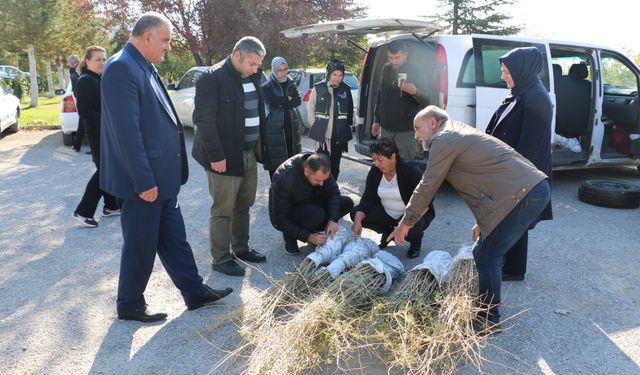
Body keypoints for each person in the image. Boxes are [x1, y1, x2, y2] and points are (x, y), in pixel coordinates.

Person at [100, 12, 232, 322]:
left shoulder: (143, 65)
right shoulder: (121, 68)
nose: (168, 47)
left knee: (174, 237)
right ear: (147, 37)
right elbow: (126, 133)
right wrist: (144, 181)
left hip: (163, 177)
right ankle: (129, 303)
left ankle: (194, 291)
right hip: (144, 180)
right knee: (140, 242)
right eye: (166, 40)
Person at [389, 106, 550, 330]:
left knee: (487, 253)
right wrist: (482, 222)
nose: (416, 135)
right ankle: (486, 310)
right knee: (484, 251)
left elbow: (428, 185)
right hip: (527, 191)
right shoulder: (456, 133)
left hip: (523, 194)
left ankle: (488, 318)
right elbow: (481, 181)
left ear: (433, 123)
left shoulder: (444, 139)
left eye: (417, 128)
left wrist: (405, 222)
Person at [192, 36, 269, 277]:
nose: (256, 69)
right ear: (237, 56)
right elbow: (203, 121)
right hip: (223, 157)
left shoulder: (252, 76)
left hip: (248, 154)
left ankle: (241, 249)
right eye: (252, 64)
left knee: (243, 205)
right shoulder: (211, 79)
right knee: (223, 210)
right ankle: (221, 258)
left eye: (258, 65)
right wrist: (216, 155)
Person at [485, 47, 553, 282]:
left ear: (522, 70)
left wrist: (510, 178)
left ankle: (513, 269)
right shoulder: (520, 91)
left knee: (516, 219)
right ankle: (510, 264)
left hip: (522, 174)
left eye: (506, 72)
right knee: (513, 219)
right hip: (510, 170)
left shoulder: (537, 98)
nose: (503, 76)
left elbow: (530, 147)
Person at [350, 138, 435, 259]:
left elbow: (425, 201)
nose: (377, 164)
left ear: (393, 157)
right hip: (386, 212)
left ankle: (415, 243)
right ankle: (389, 231)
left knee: (415, 223)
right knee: (356, 213)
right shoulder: (376, 170)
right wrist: (358, 220)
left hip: (410, 214)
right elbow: (367, 197)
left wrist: (404, 224)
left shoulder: (410, 170)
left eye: (380, 160)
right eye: (374, 160)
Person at [269, 152, 354, 255]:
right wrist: (308, 237)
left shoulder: (320, 165)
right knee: (316, 215)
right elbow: (280, 219)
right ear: (306, 171)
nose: (322, 183)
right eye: (318, 180)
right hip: (289, 213)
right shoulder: (285, 179)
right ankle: (290, 236)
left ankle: (317, 230)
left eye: (324, 180)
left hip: (311, 201)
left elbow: (333, 192)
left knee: (346, 203)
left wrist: (333, 220)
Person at [71, 46, 119, 228]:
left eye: (104, 59)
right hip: (98, 133)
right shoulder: (85, 80)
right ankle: (83, 212)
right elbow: (84, 110)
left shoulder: (96, 78)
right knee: (105, 170)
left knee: (106, 169)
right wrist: (107, 121)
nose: (102, 62)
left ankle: (111, 206)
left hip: (105, 132)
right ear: (87, 60)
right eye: (97, 59)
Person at [370, 40, 430, 160]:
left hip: (405, 131)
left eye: (397, 57)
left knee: (405, 167)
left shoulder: (416, 70)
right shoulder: (386, 69)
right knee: (386, 164)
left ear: (405, 54)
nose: (393, 61)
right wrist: (377, 121)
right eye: (390, 58)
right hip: (386, 129)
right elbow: (380, 96)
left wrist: (415, 92)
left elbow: (427, 100)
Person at [307, 59, 353, 181]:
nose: (337, 78)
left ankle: (331, 189)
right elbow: (311, 108)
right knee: (321, 166)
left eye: (340, 75)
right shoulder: (318, 88)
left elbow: (349, 111)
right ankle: (321, 190)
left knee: (335, 166)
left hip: (339, 135)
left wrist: (347, 127)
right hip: (323, 136)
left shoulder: (345, 90)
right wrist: (313, 126)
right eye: (334, 75)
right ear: (328, 74)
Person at [262, 56, 302, 180]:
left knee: (292, 161)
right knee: (276, 166)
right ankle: (276, 195)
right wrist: (286, 99)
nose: (283, 73)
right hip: (274, 127)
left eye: (285, 69)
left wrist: (282, 101)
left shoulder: (291, 83)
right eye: (280, 70)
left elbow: (297, 101)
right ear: (274, 70)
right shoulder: (267, 86)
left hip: (290, 124)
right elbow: (273, 102)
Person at [67, 54, 84, 152]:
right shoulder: (74, 71)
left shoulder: (77, 71)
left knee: (84, 123)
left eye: (69, 63)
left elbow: (76, 83)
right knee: (83, 123)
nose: (68, 65)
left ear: (72, 63)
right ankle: (77, 145)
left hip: (83, 100)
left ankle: (77, 145)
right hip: (81, 99)